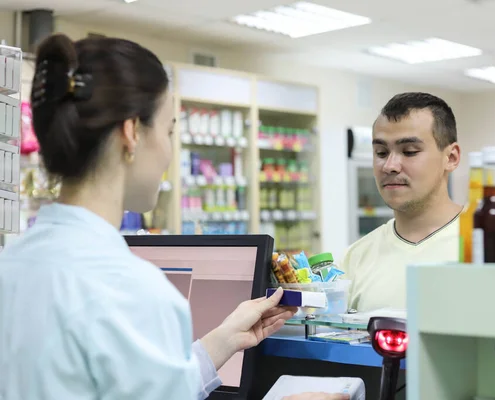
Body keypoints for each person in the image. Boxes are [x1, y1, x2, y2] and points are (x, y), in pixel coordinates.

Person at [0, 34, 347, 400]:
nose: (168, 151)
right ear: (131, 133)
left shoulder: (12, 266)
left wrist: (221, 342)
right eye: (168, 130)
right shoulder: (136, 293)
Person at [340, 92, 462, 312]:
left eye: (409, 152)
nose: (390, 165)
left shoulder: (486, 246)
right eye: (381, 152)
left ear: (451, 158)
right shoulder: (354, 259)